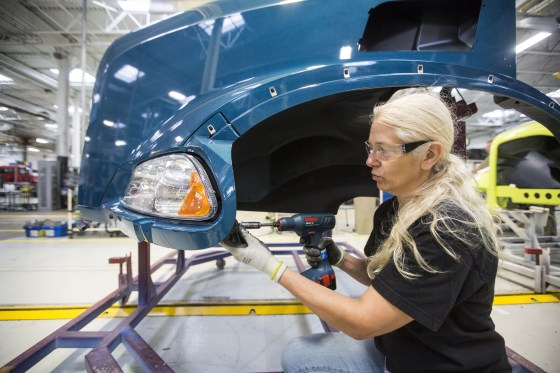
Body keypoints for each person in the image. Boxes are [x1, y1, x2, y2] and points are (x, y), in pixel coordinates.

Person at [221, 91, 511, 372]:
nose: (370, 161)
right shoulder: (392, 211)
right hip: (400, 351)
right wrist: (340, 259)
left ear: (429, 154)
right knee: (299, 354)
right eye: (370, 148)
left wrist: (269, 266)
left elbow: (363, 322)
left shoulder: (447, 230)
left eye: (383, 150)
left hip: (445, 365)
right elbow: (385, 279)